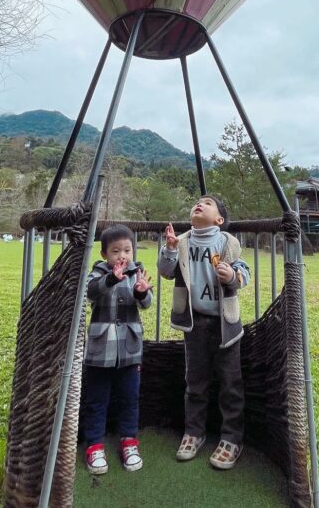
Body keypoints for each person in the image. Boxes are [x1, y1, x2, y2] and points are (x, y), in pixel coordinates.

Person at [157, 196, 250, 470]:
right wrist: (170, 250)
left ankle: (232, 437)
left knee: (231, 383)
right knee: (195, 382)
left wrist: (232, 276)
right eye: (197, 202)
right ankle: (194, 432)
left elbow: (244, 271)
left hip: (225, 324)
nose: (200, 204)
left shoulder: (227, 242)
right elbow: (166, 271)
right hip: (194, 323)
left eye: (207, 203)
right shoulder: (182, 241)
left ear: (219, 219)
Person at [82, 224, 152, 475]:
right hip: (100, 350)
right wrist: (112, 277)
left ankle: (129, 441)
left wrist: (142, 293)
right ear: (104, 255)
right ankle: (94, 445)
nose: (122, 256)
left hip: (129, 350)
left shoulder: (137, 272)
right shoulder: (98, 272)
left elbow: (146, 304)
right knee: (97, 399)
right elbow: (91, 292)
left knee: (129, 398)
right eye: (115, 251)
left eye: (127, 250)